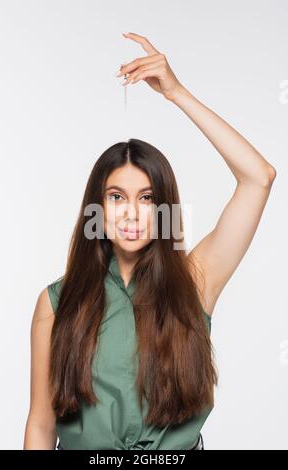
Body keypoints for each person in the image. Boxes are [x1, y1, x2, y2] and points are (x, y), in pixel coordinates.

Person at [23, 32, 276, 450]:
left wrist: (177, 93)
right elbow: (40, 424)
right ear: (98, 209)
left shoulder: (196, 280)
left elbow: (258, 177)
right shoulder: (56, 302)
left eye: (147, 199)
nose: (131, 213)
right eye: (117, 197)